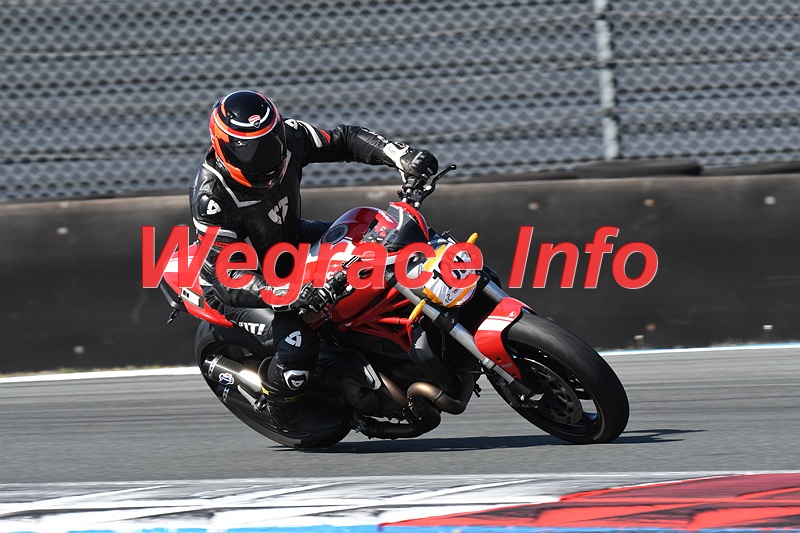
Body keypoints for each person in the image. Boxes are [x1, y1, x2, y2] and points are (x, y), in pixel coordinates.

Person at [190, 89, 438, 433]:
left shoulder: (291, 136)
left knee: (385, 239)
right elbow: (226, 276)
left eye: (270, 142)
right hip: (243, 283)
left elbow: (345, 140)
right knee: (299, 345)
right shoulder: (212, 196)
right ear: (222, 146)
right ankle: (281, 409)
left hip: (288, 241)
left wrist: (401, 156)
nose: (264, 156)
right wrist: (291, 294)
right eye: (249, 149)